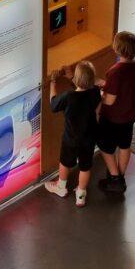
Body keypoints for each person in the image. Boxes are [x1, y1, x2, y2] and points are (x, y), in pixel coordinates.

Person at [45, 61, 101, 207]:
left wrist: (52, 82)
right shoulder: (95, 92)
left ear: (76, 79)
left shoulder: (68, 97)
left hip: (71, 139)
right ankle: (81, 195)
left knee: (65, 162)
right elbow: (85, 89)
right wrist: (72, 77)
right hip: (89, 139)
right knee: (85, 167)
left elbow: (53, 104)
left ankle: (61, 187)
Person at [97, 31, 135, 194]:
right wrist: (108, 85)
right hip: (130, 114)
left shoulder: (115, 71)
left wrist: (99, 96)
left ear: (118, 49)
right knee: (125, 145)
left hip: (113, 117)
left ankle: (114, 178)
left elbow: (110, 100)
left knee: (105, 146)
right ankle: (122, 175)